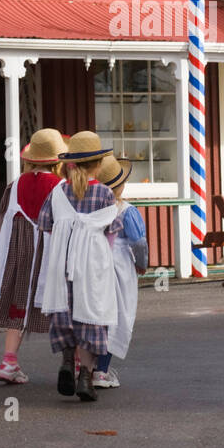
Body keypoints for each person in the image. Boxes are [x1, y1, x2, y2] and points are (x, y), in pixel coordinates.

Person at [36, 130, 121, 402]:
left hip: (62, 263)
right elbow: (112, 232)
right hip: (92, 266)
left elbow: (45, 226)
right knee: (91, 315)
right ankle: (85, 374)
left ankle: (66, 361)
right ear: (98, 164)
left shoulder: (58, 193)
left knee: (67, 312)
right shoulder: (105, 194)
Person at [0, 128, 66, 385]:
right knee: (63, 306)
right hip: (51, 253)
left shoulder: (15, 185)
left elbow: (4, 215)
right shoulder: (63, 188)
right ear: (58, 160)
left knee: (19, 302)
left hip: (21, 252)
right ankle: (73, 363)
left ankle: (9, 361)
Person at [92, 155, 149, 389]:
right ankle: (101, 371)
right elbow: (139, 243)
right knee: (117, 317)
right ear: (121, 185)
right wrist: (143, 264)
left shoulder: (91, 208)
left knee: (94, 315)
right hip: (118, 266)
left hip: (92, 263)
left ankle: (84, 367)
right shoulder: (126, 211)